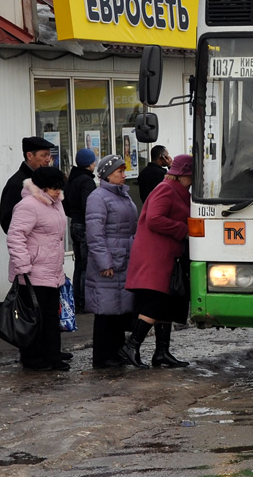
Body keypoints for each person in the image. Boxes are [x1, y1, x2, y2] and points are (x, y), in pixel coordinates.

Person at [120, 154, 193, 369]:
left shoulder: (179, 191)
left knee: (167, 302)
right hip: (155, 256)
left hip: (167, 255)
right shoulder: (165, 189)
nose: (192, 180)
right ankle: (131, 346)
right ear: (180, 175)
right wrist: (184, 231)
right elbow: (154, 219)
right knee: (156, 302)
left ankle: (162, 352)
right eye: (189, 176)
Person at [6, 166, 70, 371]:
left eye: (60, 188)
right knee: (34, 318)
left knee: (51, 317)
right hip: (32, 273)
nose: (58, 192)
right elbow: (15, 236)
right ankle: (32, 358)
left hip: (52, 271)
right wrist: (23, 265)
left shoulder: (56, 203)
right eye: (54, 188)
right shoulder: (28, 206)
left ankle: (52, 355)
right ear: (42, 187)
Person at [85, 154, 138, 369]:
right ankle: (103, 356)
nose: (124, 176)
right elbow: (95, 234)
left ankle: (116, 353)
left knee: (119, 309)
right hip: (109, 262)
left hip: (124, 259)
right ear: (108, 175)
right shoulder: (98, 197)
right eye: (120, 172)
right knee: (106, 311)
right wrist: (104, 263)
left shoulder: (123, 195)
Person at [63, 148, 98, 313]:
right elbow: (89, 206)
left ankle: (77, 299)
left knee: (79, 264)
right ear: (88, 163)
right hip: (84, 225)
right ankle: (84, 301)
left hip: (74, 223)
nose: (95, 163)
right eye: (93, 161)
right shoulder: (86, 181)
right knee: (86, 265)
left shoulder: (72, 179)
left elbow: (66, 205)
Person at [0, 136, 55, 233]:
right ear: (29, 156)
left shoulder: (46, 180)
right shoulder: (16, 183)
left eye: (49, 155)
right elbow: (7, 222)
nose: (47, 160)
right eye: (43, 155)